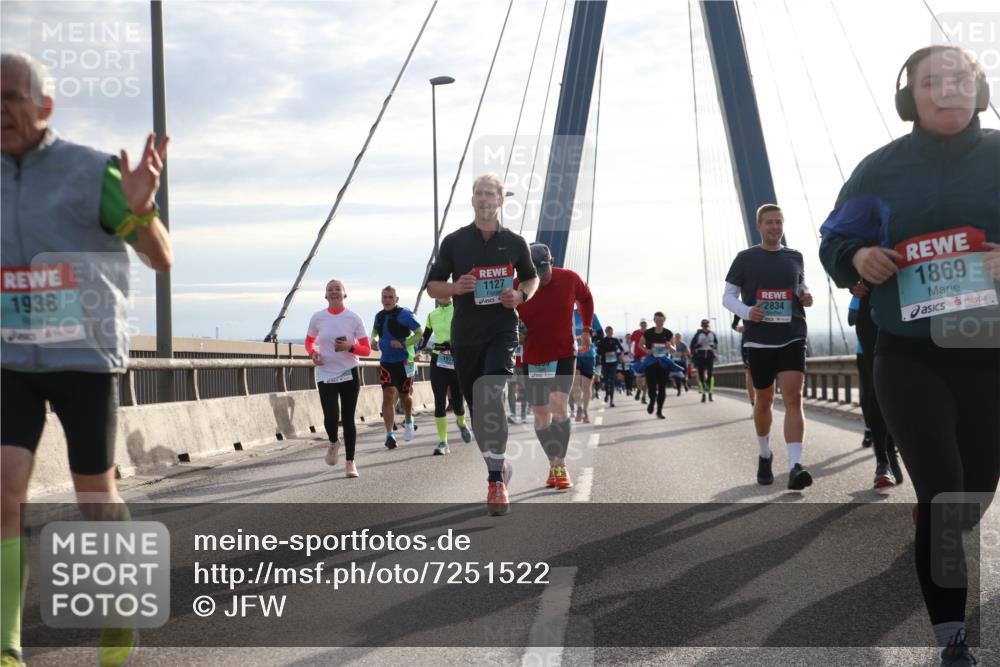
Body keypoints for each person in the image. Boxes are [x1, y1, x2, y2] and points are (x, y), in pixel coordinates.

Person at [819, 46, 998, 665]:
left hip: (989, 353)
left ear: (978, 89)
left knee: (973, 493)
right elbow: (836, 236)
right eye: (931, 82)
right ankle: (953, 639)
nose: (947, 90)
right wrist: (855, 258)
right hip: (908, 353)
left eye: (960, 79)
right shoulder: (879, 171)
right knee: (945, 492)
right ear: (910, 98)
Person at [1, 52, 173, 667]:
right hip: (10, 359)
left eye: (12, 97)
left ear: (44, 106)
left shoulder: (88, 171)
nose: (1, 109)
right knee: (4, 493)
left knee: (94, 496)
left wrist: (140, 209)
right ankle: (6, 645)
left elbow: (161, 259)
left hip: (86, 355)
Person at [426, 173, 538, 516]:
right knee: (479, 414)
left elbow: (532, 278)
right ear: (472, 200)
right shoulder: (454, 242)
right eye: (479, 194)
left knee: (491, 393)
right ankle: (499, 468)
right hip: (466, 336)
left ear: (501, 201)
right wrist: (455, 288)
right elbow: (432, 286)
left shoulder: (516, 242)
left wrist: (520, 294)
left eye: (490, 194)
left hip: (502, 330)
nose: (484, 199)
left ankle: (494, 482)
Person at [723, 203, 814, 491]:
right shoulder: (745, 259)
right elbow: (728, 296)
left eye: (779, 222)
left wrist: (806, 294)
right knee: (763, 400)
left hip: (792, 334)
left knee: (793, 398)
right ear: (759, 226)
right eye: (769, 222)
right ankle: (765, 454)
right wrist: (748, 312)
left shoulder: (795, 256)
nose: (775, 227)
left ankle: (794, 466)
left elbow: (800, 285)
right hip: (759, 338)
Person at [515, 243, 593, 490]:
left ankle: (560, 465)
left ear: (552, 260)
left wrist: (587, 330)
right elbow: (504, 316)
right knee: (540, 415)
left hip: (562, 353)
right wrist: (516, 331)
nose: (542, 275)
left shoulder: (569, 278)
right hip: (533, 357)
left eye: (545, 269)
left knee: (559, 404)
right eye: (536, 271)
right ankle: (552, 462)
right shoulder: (518, 286)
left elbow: (586, 298)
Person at [306, 280, 371, 476]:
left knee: (348, 418)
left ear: (345, 294)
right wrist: (313, 354)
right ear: (325, 295)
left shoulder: (353, 318)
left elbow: (366, 349)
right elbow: (310, 342)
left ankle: (350, 462)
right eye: (330, 289)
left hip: (348, 371)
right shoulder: (318, 317)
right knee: (331, 416)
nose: (334, 292)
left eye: (338, 289)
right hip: (325, 373)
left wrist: (350, 348)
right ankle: (334, 441)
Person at [847, 285, 903, 489]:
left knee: (905, 394)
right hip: (872, 330)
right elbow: (843, 264)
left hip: (919, 311)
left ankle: (893, 445)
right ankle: (884, 460)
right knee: (876, 392)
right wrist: (854, 280)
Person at [418, 295, 472, 455]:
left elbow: (468, 333)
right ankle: (443, 442)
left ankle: (461, 423)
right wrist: (413, 348)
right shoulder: (431, 315)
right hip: (438, 359)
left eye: (446, 291)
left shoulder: (458, 311)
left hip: (456, 359)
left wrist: (454, 344)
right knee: (439, 401)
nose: (443, 295)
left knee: (457, 402)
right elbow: (424, 339)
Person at [371, 286, 423, 450]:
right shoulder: (379, 316)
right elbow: (375, 332)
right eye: (384, 297)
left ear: (396, 299)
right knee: (388, 395)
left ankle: (408, 419)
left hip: (404, 361)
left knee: (405, 396)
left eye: (390, 297)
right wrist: (373, 340)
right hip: (386, 361)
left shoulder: (405, 314)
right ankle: (389, 435)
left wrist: (403, 344)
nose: (387, 300)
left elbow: (419, 333)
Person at [640, 312, 674, 419]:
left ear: (664, 320)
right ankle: (652, 401)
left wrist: (670, 346)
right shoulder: (648, 333)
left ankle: (659, 411)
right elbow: (640, 344)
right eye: (657, 320)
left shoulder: (668, 333)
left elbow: (674, 349)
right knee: (652, 386)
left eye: (661, 320)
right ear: (654, 321)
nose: (659, 322)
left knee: (662, 388)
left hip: (663, 362)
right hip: (651, 362)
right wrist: (647, 350)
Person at [572, 307, 602, 423]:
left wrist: (589, 338)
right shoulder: (570, 314)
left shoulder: (591, 315)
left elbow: (600, 334)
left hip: (589, 355)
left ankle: (585, 410)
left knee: (586, 386)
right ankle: (579, 409)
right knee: (575, 384)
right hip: (574, 354)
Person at [690, 319, 719, 402]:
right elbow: (692, 346)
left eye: (707, 325)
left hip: (709, 354)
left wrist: (712, 345)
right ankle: (703, 394)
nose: (705, 327)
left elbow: (716, 344)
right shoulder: (698, 334)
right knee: (701, 375)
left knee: (710, 374)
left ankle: (710, 393)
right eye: (704, 326)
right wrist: (699, 345)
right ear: (701, 326)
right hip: (700, 355)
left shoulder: (712, 334)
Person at [731, 315, 756, 408]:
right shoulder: (745, 302)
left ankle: (764, 404)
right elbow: (734, 324)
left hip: (772, 341)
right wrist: (738, 328)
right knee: (750, 372)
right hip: (749, 341)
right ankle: (754, 404)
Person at [596, 325, 624, 407]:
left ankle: (611, 400)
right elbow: (598, 351)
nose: (610, 333)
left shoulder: (615, 340)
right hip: (605, 363)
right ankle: (607, 394)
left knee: (612, 381)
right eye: (609, 331)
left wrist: (621, 356)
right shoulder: (602, 341)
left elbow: (621, 349)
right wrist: (605, 353)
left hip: (613, 363)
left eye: (611, 331)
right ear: (606, 332)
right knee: (605, 380)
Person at [630, 319, 649, 403]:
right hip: (637, 356)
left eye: (645, 323)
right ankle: (639, 389)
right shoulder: (636, 333)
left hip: (648, 356)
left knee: (647, 378)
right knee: (638, 377)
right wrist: (631, 351)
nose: (643, 325)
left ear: (647, 324)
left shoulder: (650, 333)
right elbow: (631, 341)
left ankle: (644, 396)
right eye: (642, 323)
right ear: (640, 324)